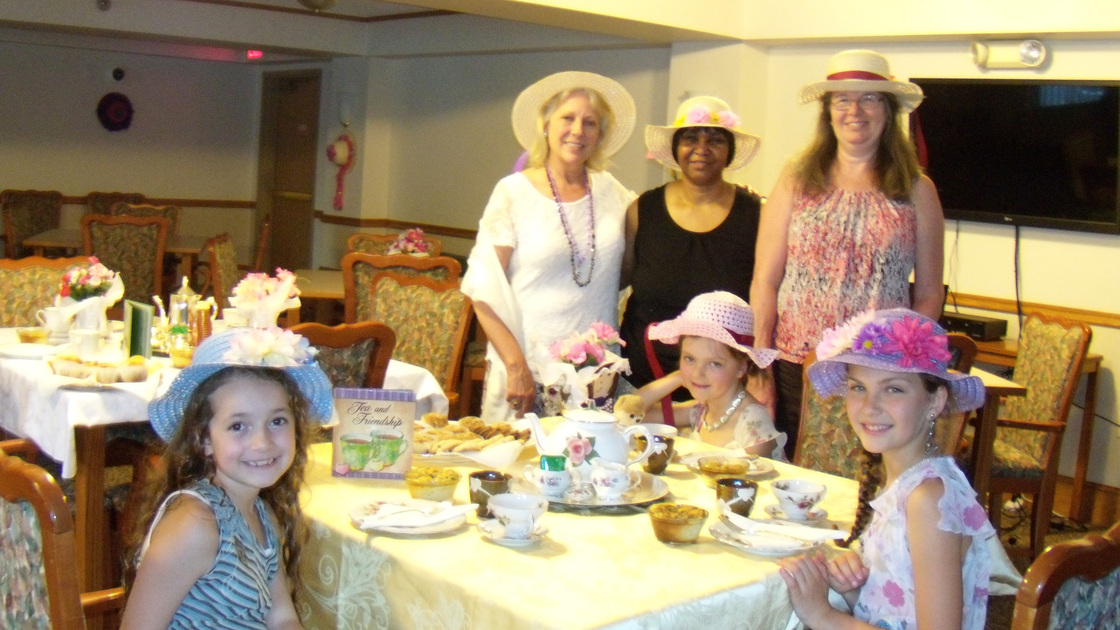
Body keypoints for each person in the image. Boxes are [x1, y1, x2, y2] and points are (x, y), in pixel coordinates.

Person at [751, 49, 946, 458]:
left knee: (865, 482)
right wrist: (760, 362)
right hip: (794, 363)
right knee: (797, 477)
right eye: (842, 99)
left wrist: (900, 360)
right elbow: (765, 280)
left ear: (889, 110)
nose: (854, 110)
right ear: (828, 111)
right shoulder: (796, 178)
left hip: (876, 373)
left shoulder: (917, 189)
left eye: (869, 98)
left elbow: (929, 293)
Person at [778, 308, 993, 630]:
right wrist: (856, 592)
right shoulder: (904, 486)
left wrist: (824, 616)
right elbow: (899, 609)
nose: (869, 407)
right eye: (858, 387)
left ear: (934, 402)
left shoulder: (928, 500)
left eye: (893, 389)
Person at [121, 327, 334, 629]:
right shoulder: (195, 523)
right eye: (238, 426)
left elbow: (281, 616)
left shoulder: (261, 513)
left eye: (277, 421)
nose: (262, 442)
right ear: (204, 439)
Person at [461, 71, 637, 422]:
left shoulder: (614, 193)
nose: (577, 130)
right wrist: (516, 366)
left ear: (599, 134)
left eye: (590, 123)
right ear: (546, 125)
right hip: (529, 369)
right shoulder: (513, 192)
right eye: (567, 118)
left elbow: (633, 261)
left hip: (595, 375)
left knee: (592, 472)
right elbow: (483, 289)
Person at [619, 95, 762, 392]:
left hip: (721, 384)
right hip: (644, 379)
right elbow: (618, 281)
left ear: (730, 151)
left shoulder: (756, 215)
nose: (702, 149)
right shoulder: (641, 211)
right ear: (675, 149)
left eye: (716, 140)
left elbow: (766, 296)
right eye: (690, 138)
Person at [634, 292, 785, 458]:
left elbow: (752, 480)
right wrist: (678, 377)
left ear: (742, 367)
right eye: (690, 358)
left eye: (715, 364)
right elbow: (635, 414)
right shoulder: (702, 409)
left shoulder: (753, 422)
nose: (698, 373)